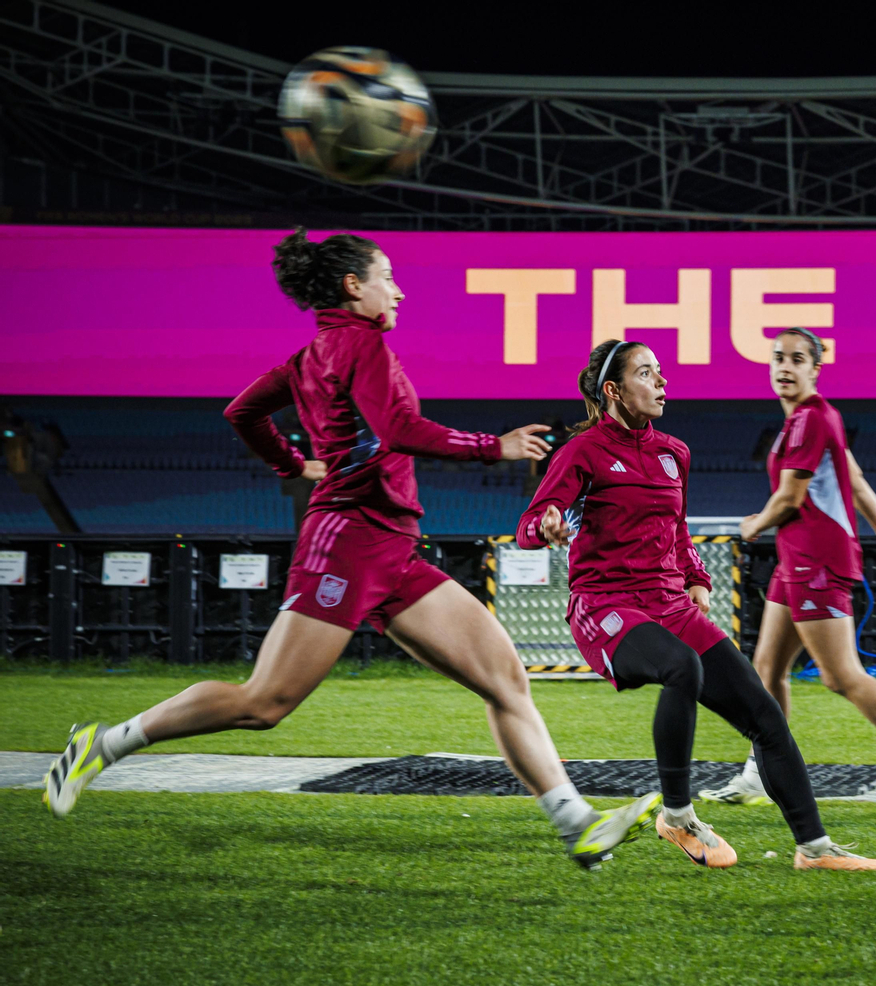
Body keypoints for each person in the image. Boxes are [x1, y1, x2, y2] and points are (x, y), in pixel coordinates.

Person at [43, 229, 659, 869]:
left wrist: (293, 463)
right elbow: (397, 429)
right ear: (352, 287)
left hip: (388, 545)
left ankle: (577, 824)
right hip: (348, 543)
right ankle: (102, 744)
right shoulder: (361, 344)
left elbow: (242, 413)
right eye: (386, 276)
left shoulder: (311, 356)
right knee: (265, 703)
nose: (398, 288)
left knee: (504, 677)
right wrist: (491, 447)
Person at [517, 338, 876, 872]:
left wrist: (695, 577)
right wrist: (547, 525)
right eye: (647, 374)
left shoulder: (674, 452)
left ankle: (814, 849)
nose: (662, 382)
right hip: (605, 606)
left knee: (766, 716)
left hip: (670, 604)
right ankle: (679, 816)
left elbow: (678, 528)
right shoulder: (583, 451)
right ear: (614, 390)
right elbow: (531, 521)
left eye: (661, 371)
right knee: (680, 667)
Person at [699, 328, 876, 812]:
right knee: (767, 672)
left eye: (797, 359)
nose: (785, 367)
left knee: (841, 677)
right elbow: (853, 478)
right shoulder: (805, 421)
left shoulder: (812, 418)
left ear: (815, 369)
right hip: (796, 559)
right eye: (778, 358)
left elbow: (790, 498)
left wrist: (755, 524)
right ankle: (761, 772)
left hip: (818, 561)